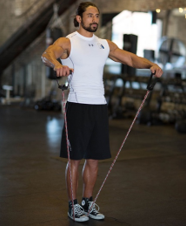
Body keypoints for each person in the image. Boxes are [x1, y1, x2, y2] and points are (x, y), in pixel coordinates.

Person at [41, 1, 163, 223]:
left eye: (96, 15)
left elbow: (130, 58)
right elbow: (48, 53)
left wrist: (150, 65)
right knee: (75, 159)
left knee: (95, 159)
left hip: (99, 106)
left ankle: (87, 202)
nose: (94, 19)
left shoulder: (104, 44)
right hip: (77, 105)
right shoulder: (68, 41)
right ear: (79, 18)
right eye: (89, 15)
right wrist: (55, 64)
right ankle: (73, 205)